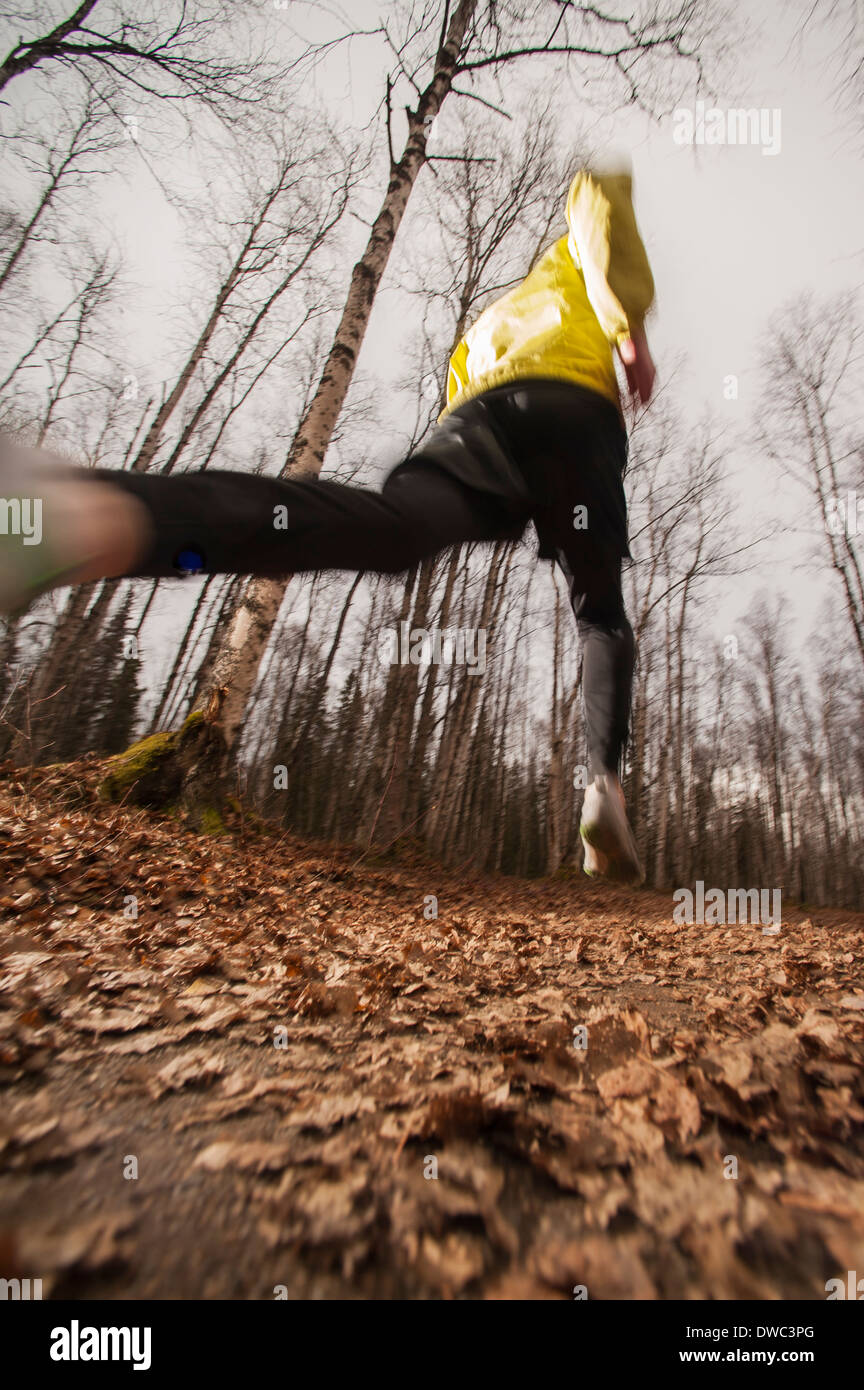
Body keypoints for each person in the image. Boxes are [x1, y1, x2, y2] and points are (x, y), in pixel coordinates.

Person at [0, 163, 655, 883]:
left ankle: (95, 515)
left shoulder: (495, 319)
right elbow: (596, 194)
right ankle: (602, 782)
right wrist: (629, 336)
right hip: (574, 418)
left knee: (395, 528)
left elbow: (459, 387)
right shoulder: (573, 258)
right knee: (599, 613)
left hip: (484, 417)